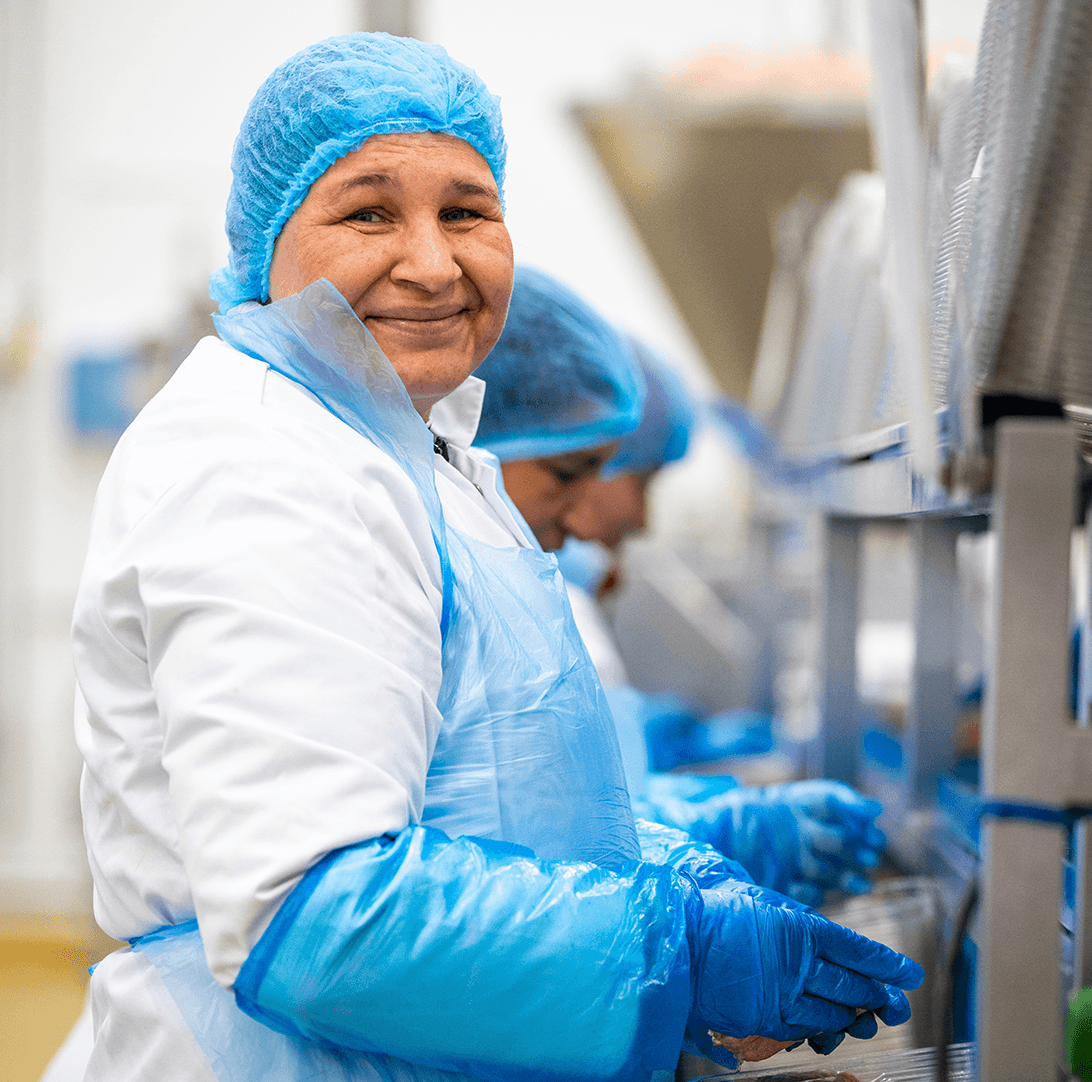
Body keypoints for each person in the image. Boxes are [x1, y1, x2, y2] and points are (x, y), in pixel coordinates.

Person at [73, 32, 922, 1082]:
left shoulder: (415, 449)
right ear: (264, 246)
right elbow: (317, 919)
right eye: (367, 211)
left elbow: (482, 800)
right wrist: (672, 950)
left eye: (467, 212)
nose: (431, 263)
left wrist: (664, 867)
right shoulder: (265, 463)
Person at [473, 293, 884, 906]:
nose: (636, 517)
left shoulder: (525, 588)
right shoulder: (456, 592)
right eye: (576, 471)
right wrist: (706, 838)